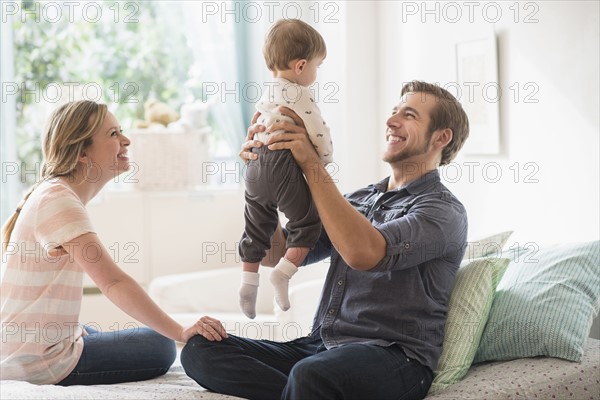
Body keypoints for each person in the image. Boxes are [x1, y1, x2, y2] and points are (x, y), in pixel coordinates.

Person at [181, 80, 470, 400]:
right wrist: (262, 180)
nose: (391, 121)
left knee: (312, 375)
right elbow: (275, 255)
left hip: (393, 358)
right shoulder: (358, 199)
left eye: (410, 115)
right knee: (200, 350)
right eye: (393, 111)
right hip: (320, 348)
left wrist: (312, 164)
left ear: (441, 137)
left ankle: (307, 390)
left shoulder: (443, 211)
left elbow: (365, 253)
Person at [0, 100, 228, 386]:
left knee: (95, 332)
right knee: (161, 344)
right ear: (82, 152)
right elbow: (112, 282)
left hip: (21, 350)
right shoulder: (58, 201)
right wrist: (180, 331)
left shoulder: (54, 194)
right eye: (113, 134)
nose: (126, 140)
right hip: (36, 363)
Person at [239, 19, 333, 319]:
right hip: (281, 164)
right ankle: (283, 274)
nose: (317, 73)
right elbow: (317, 131)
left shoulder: (267, 92)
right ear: (302, 66)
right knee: (306, 224)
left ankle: (248, 283)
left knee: (256, 227)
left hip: (254, 163)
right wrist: (325, 157)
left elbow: (258, 127)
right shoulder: (299, 94)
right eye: (318, 66)